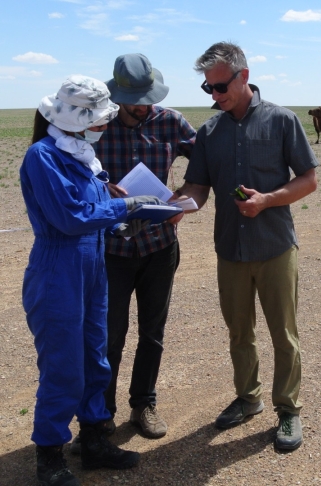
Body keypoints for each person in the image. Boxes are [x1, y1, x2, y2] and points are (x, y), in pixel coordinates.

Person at [170, 42, 318, 451]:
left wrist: (267, 200)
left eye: (220, 87)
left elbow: (309, 179)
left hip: (275, 246)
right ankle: (248, 398)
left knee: (283, 333)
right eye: (208, 89)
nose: (215, 96)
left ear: (244, 76)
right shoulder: (209, 132)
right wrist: (177, 205)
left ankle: (288, 410)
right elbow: (198, 186)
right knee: (239, 332)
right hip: (230, 249)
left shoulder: (282, 121)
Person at [21, 75, 161, 486]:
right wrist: (124, 207)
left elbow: (90, 212)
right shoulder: (43, 156)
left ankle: (94, 439)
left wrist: (120, 226)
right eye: (99, 120)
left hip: (91, 267)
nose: (104, 126)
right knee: (63, 366)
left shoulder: (82, 156)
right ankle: (49, 455)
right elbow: (69, 219)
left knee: (95, 358)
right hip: (57, 271)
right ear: (78, 119)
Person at [94, 53, 197, 439]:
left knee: (152, 332)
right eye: (134, 99)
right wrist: (100, 186)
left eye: (147, 97)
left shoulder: (170, 121)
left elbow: (204, 158)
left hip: (159, 245)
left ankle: (144, 404)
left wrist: (184, 197)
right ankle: (101, 413)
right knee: (110, 335)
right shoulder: (98, 126)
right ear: (117, 96)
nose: (142, 106)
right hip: (112, 249)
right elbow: (71, 167)